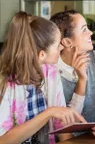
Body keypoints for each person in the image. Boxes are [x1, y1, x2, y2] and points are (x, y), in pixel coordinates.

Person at [0, 12, 85, 144]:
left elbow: (61, 124)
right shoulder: (5, 83)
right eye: (57, 45)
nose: (62, 47)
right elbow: (3, 140)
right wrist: (48, 113)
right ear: (41, 55)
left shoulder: (51, 72)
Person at [50, 10, 95, 139]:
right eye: (84, 30)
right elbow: (66, 122)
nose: (90, 33)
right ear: (67, 42)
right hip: (72, 138)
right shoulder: (52, 70)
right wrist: (81, 80)